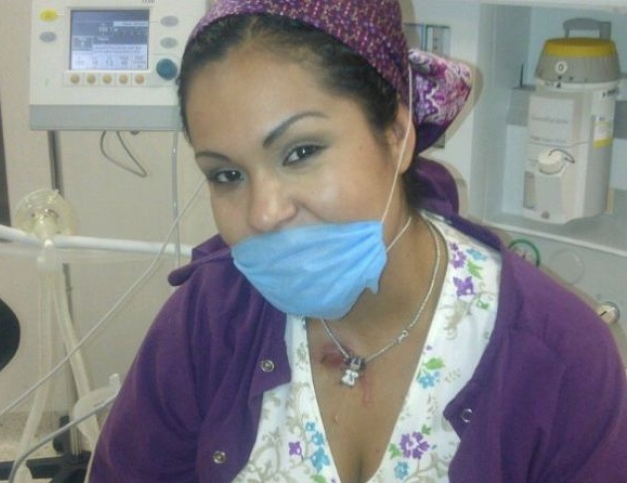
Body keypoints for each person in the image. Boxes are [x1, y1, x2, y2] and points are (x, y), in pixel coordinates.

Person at [90, 0, 627, 481]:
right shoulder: (211, 318)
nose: (264, 213)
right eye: (226, 175)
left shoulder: (558, 356)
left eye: (301, 152)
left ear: (396, 134)